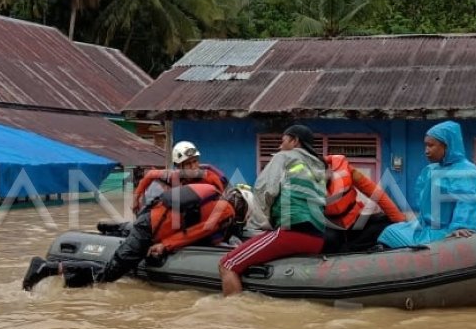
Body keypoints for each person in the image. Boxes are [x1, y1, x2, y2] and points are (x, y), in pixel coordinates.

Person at [22, 184, 246, 290]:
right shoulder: (225, 210)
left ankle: (114, 230)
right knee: (108, 274)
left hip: (149, 220)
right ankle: (47, 268)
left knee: (127, 245)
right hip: (148, 230)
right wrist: (165, 246)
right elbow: (194, 233)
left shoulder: (213, 197)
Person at [219, 125, 327, 296]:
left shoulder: (284, 157)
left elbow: (265, 191)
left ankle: (233, 318)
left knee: (227, 265)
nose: (279, 146)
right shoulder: (319, 166)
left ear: (295, 140)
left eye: (283, 141)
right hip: (318, 238)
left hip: (291, 233)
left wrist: (260, 223)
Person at [377, 120, 476, 248]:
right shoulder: (430, 170)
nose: (426, 151)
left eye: (431, 145)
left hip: (446, 230)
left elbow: (468, 202)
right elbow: (423, 200)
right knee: (390, 231)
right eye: (425, 146)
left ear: (447, 146)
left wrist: (461, 226)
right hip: (425, 227)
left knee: (421, 246)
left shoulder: (465, 170)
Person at [322, 154, 405, 253]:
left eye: (323, 172)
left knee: (388, 222)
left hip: (356, 221)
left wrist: (400, 222)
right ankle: (347, 248)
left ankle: (351, 247)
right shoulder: (307, 185)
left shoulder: (347, 170)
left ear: (330, 168)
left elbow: (376, 193)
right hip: (331, 228)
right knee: (328, 240)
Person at [131, 141, 227, 214]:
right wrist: (136, 200)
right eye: (188, 164)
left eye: (195, 161)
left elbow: (221, 202)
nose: (194, 167)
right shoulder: (174, 176)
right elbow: (150, 175)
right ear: (179, 167)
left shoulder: (209, 177)